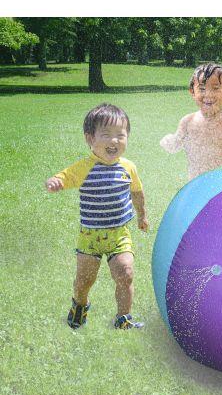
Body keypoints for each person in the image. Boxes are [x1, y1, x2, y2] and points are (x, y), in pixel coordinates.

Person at [45, 104, 149, 329]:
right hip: (89, 237)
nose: (114, 141)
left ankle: (123, 318)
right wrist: (56, 182)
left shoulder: (128, 168)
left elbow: (137, 193)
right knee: (84, 281)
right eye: (106, 135)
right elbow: (65, 177)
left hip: (119, 235)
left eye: (120, 135)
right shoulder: (84, 167)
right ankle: (80, 305)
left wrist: (142, 216)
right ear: (90, 139)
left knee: (126, 273)